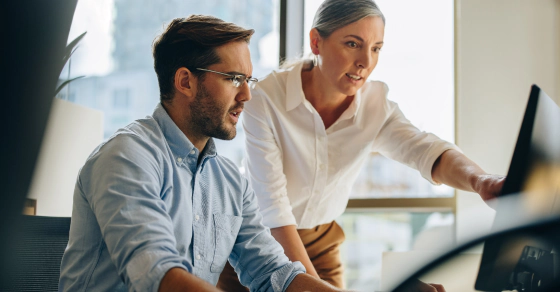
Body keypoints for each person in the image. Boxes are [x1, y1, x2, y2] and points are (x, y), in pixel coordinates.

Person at [217, 0, 506, 291]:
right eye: (353, 44)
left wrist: (480, 181)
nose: (366, 62)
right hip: (258, 241)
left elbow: (426, 151)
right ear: (316, 42)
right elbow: (273, 210)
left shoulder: (375, 106)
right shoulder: (264, 99)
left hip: (322, 241)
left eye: (376, 48)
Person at [58, 15, 347, 292]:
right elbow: (158, 276)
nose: (247, 95)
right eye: (234, 78)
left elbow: (275, 275)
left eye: (249, 80)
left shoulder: (231, 182)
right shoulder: (126, 158)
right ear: (186, 82)